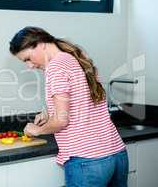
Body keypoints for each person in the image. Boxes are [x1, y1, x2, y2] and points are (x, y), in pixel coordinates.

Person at [9, 26, 128, 187]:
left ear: (41, 43)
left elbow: (61, 121)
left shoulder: (55, 67)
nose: (29, 66)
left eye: (28, 58)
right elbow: (85, 102)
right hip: (117, 155)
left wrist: (36, 130)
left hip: (87, 160)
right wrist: (50, 113)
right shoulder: (76, 58)